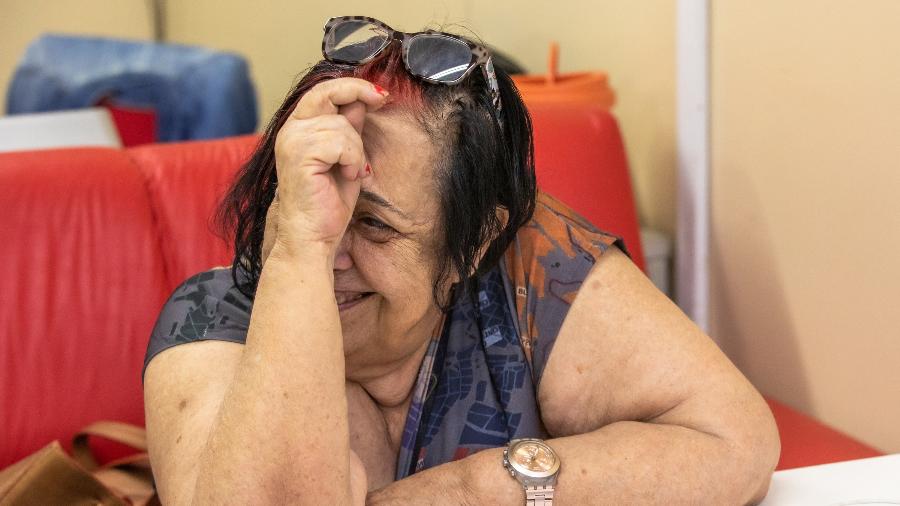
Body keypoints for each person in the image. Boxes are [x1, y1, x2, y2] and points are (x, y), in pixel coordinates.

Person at [143, 16, 779, 505]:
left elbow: (735, 441)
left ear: (474, 242)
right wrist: (297, 251)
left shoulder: (533, 273)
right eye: (306, 203)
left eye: (371, 223)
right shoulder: (217, 318)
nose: (333, 252)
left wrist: (478, 490)